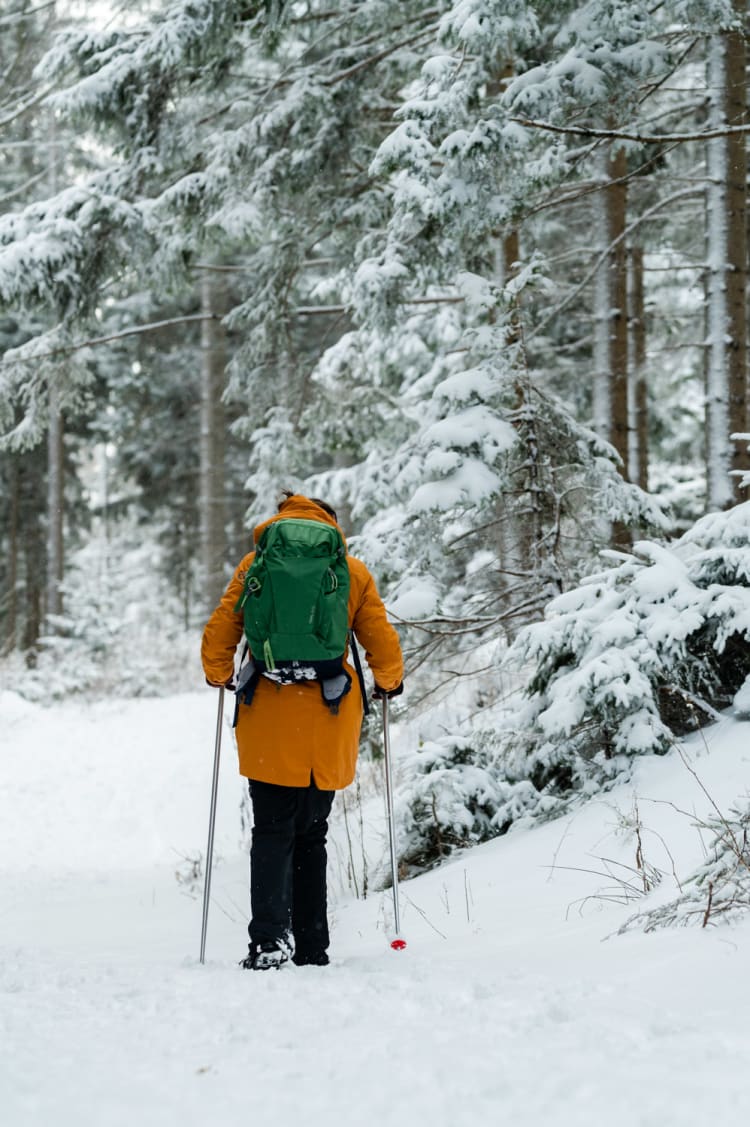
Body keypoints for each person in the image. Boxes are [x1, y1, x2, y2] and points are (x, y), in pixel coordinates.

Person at [201, 492, 404, 970]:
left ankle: (269, 941)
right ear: (331, 527)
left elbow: (222, 628)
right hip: (329, 719)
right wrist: (389, 683)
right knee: (313, 834)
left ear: (279, 522)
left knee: (271, 830)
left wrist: (218, 672)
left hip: (267, 715)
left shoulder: (256, 565)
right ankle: (312, 946)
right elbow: (380, 639)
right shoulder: (351, 573)